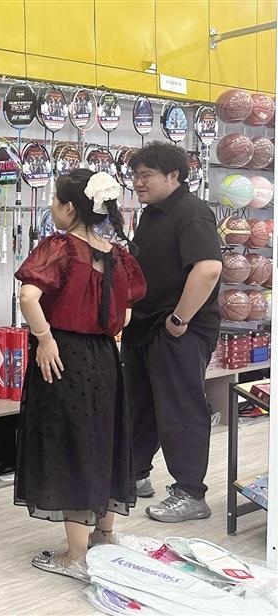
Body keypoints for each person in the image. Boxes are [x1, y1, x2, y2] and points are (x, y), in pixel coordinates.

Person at [14, 169, 146, 581]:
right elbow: (126, 313)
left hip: (63, 356)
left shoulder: (60, 247)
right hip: (105, 357)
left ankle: (75, 555)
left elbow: (27, 296)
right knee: (104, 438)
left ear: (70, 208)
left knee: (69, 444)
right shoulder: (118, 255)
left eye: (55, 200)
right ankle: (104, 533)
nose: (52, 207)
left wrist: (45, 338)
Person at [122, 141, 222, 522]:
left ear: (173, 175)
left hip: (180, 329)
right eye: (135, 175)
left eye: (145, 175)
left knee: (181, 409)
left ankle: (191, 493)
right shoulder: (151, 213)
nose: (138, 182)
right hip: (145, 326)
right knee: (139, 404)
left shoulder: (193, 213)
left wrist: (179, 321)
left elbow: (208, 269)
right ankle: (135, 474)